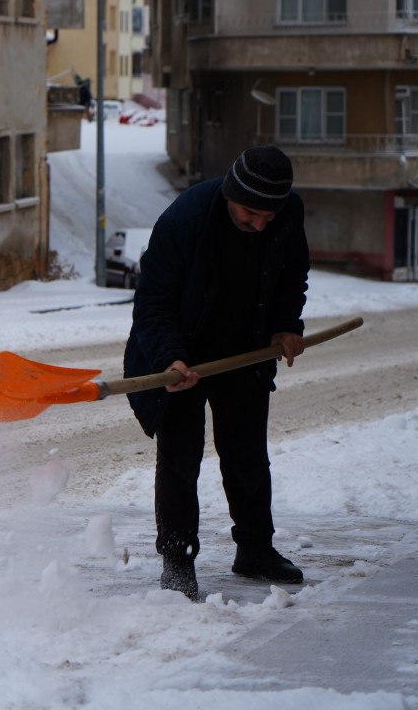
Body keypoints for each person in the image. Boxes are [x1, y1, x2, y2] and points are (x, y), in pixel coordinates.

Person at [123, 145, 310, 600]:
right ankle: (177, 562)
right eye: (251, 213)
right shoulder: (184, 223)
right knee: (180, 458)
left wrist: (286, 324)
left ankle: (255, 550)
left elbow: (292, 273)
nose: (261, 224)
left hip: (246, 349)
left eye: (269, 215)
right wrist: (171, 359)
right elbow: (153, 304)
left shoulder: (287, 212)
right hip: (180, 353)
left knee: (247, 453)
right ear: (230, 194)